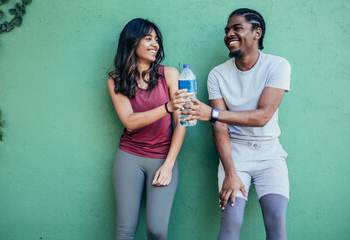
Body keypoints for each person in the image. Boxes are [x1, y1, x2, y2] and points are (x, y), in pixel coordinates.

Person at [182, 8, 291, 240]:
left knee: (276, 222)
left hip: (270, 153)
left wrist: (212, 113)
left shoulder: (277, 65)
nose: (229, 34)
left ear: (257, 33)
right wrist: (230, 172)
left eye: (237, 28)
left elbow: (263, 116)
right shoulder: (217, 75)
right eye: (227, 30)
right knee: (231, 222)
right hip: (235, 153)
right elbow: (220, 127)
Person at [108, 18, 190, 240]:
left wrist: (169, 165)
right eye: (148, 38)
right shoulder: (116, 80)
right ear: (132, 42)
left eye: (157, 39)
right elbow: (130, 121)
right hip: (129, 156)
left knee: (157, 230)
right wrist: (168, 107)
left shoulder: (170, 74)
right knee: (125, 231)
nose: (155, 44)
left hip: (163, 157)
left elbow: (181, 122)